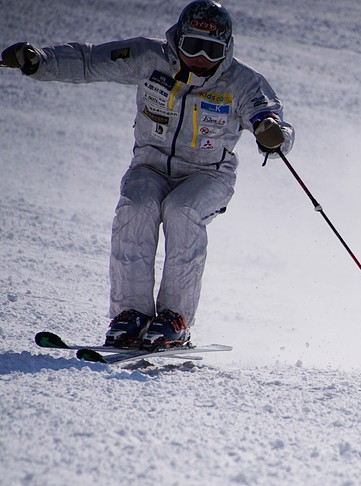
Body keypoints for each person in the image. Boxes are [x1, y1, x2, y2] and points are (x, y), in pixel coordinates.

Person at [1, 0, 294, 349]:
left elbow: (271, 118)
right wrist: (40, 61)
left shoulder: (243, 82)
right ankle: (131, 315)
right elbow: (89, 61)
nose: (201, 57)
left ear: (227, 49)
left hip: (208, 175)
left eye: (212, 50)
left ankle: (176, 319)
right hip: (150, 166)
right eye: (192, 46)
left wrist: (272, 133)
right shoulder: (148, 56)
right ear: (176, 41)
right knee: (137, 207)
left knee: (181, 210)